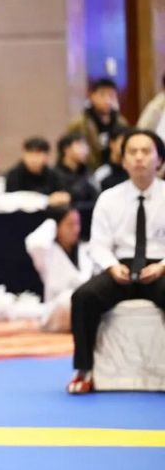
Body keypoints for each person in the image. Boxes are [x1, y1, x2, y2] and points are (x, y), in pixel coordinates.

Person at [68, 129, 165, 393]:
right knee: (83, 297)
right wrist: (112, 266)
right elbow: (98, 244)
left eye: (146, 151)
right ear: (123, 160)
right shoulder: (109, 198)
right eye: (132, 152)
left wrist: (161, 266)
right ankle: (84, 370)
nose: (139, 157)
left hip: (160, 265)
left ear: (159, 160)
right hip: (120, 266)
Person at [25, 206, 94, 332]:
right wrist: (51, 222)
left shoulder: (86, 249)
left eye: (77, 224)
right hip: (57, 311)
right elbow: (33, 242)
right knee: (68, 299)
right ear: (57, 227)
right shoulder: (46, 252)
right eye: (70, 225)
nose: (75, 229)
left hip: (84, 305)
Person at [65, 78, 128, 169]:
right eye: (102, 95)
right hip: (88, 171)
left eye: (111, 96)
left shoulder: (121, 123)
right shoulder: (79, 124)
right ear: (92, 96)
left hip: (115, 170)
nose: (107, 100)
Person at [53, 132, 98, 238]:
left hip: (90, 227)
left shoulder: (88, 173)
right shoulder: (54, 174)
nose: (85, 149)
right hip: (66, 230)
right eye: (79, 145)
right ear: (66, 149)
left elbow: (96, 198)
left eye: (85, 145)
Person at [5, 136, 70, 207]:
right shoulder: (14, 175)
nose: (34, 158)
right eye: (30, 153)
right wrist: (47, 200)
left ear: (46, 156)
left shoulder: (54, 175)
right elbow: (10, 201)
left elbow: (63, 195)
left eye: (38, 154)